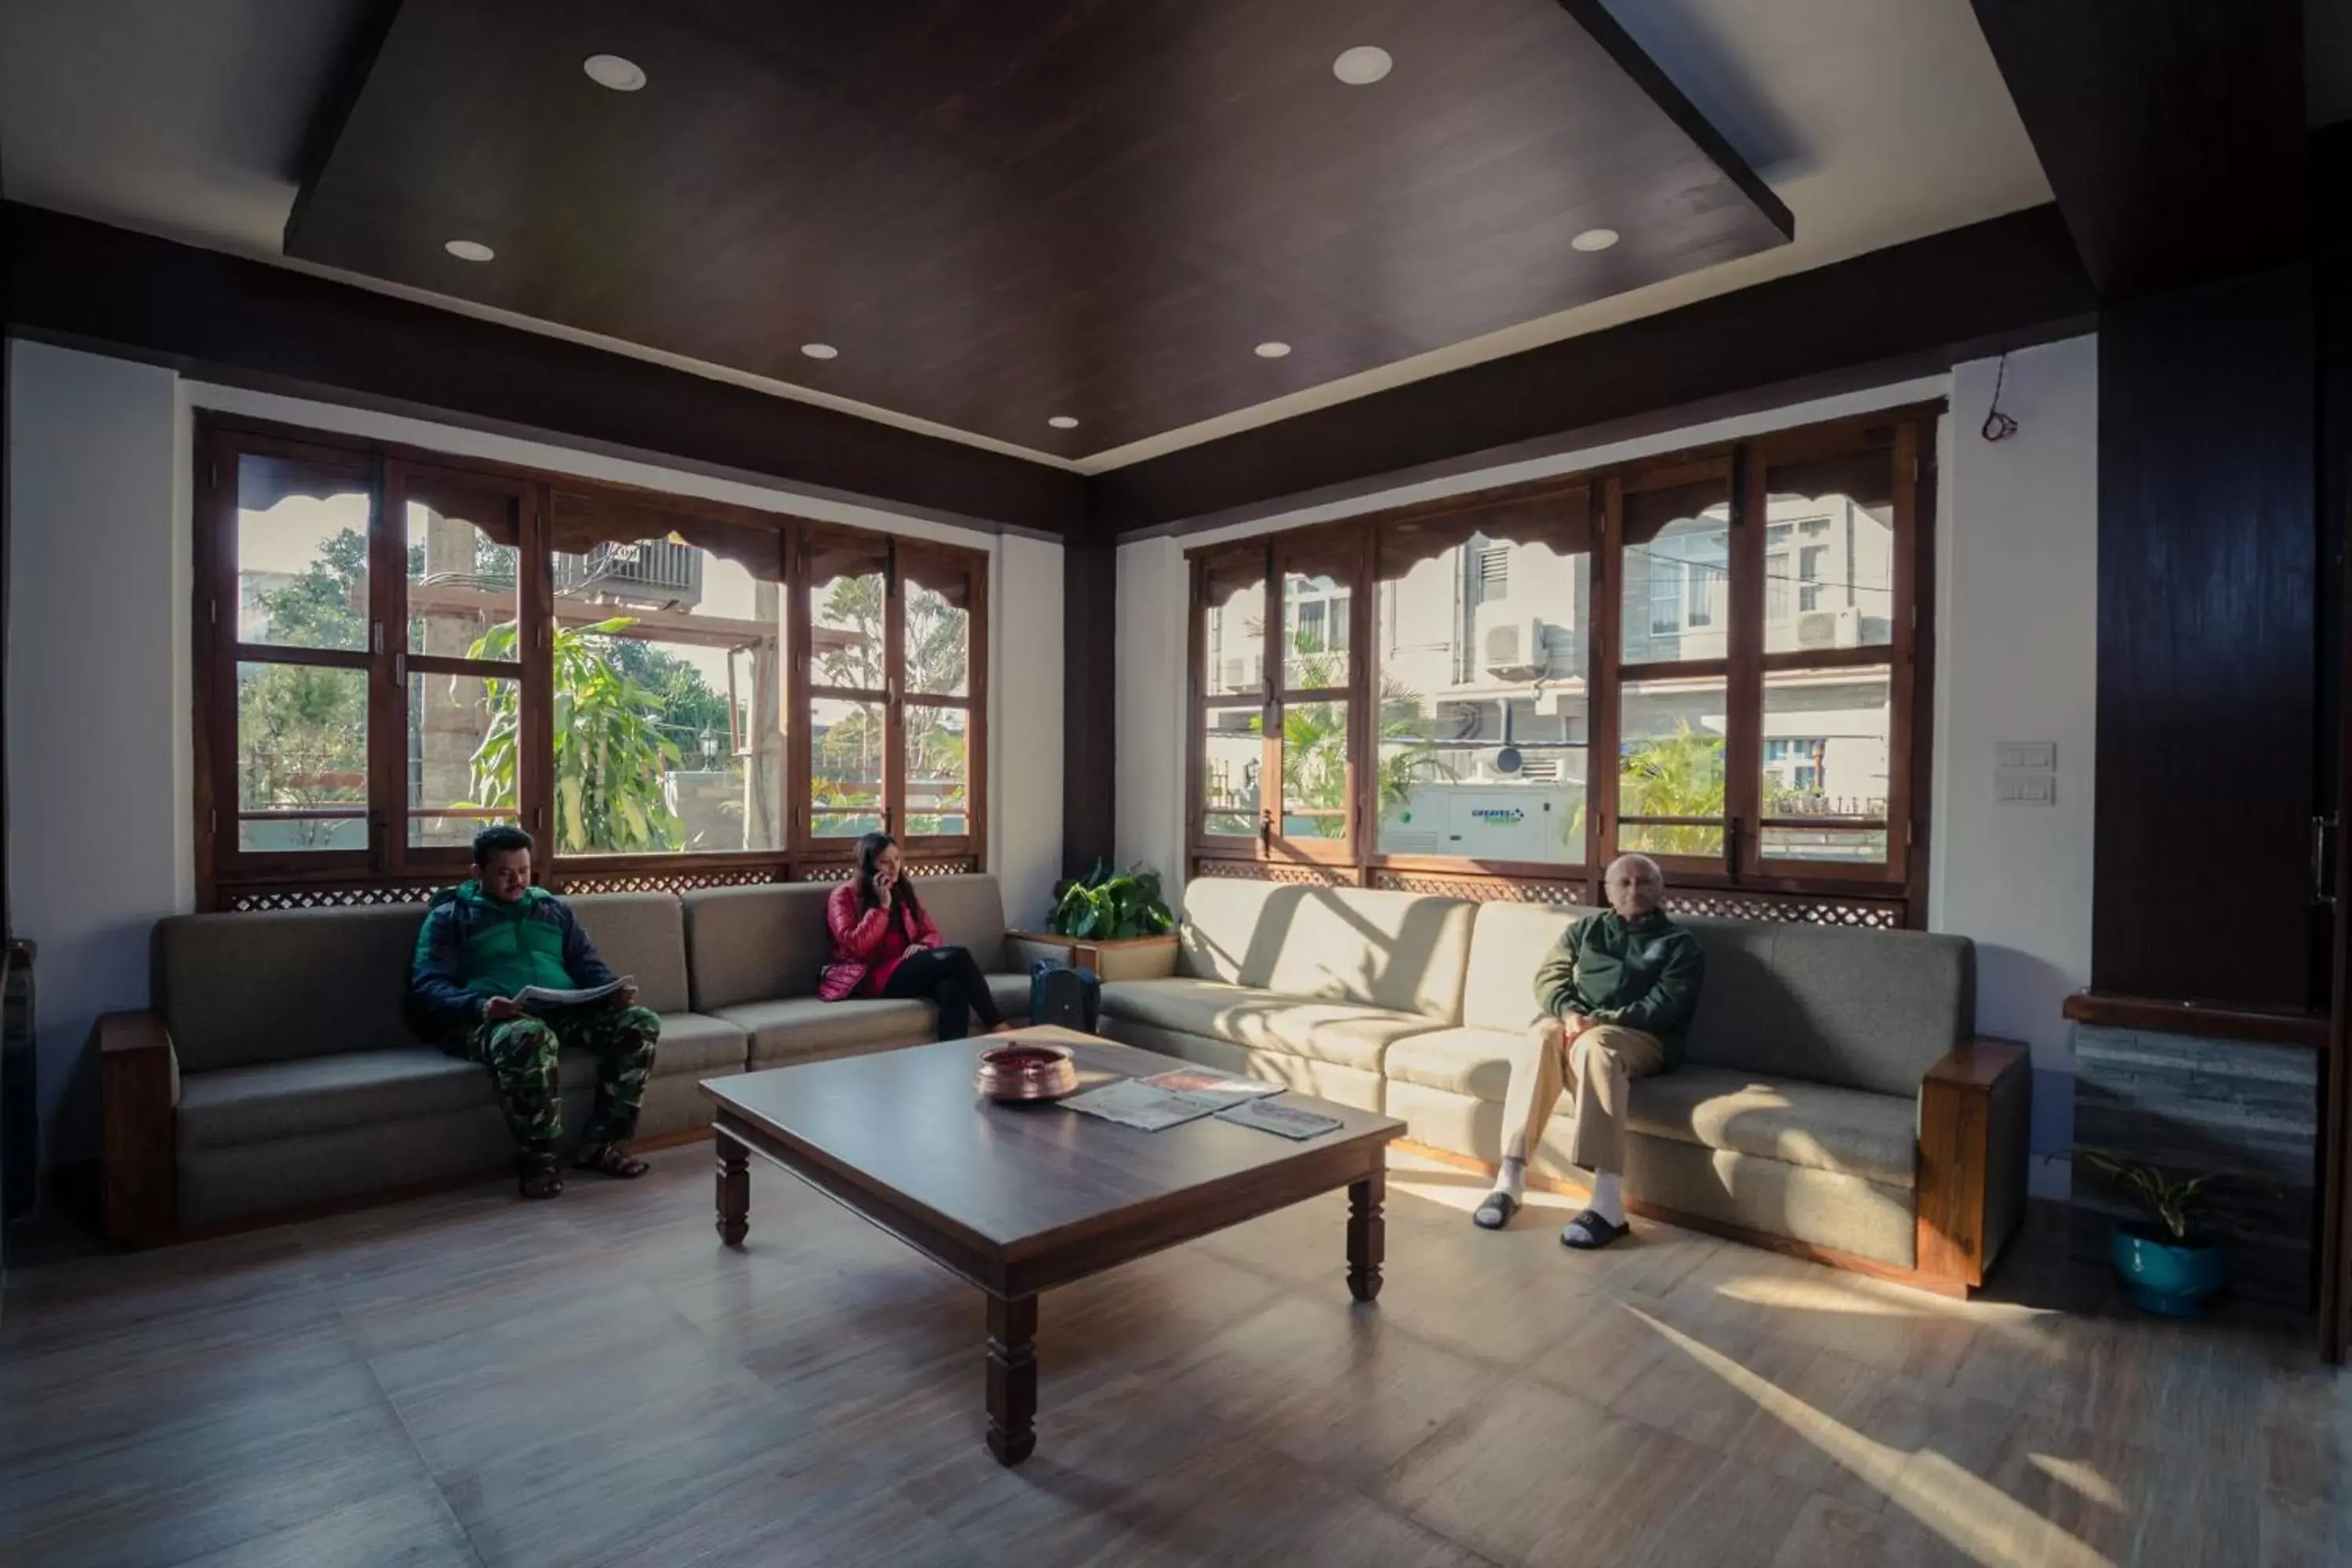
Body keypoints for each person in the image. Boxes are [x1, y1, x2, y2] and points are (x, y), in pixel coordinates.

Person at [408, 825, 662, 1200]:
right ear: (477, 872)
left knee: (641, 1023)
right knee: (528, 1036)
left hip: (563, 1010)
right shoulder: (450, 916)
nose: (518, 881)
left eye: (524, 871)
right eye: (505, 873)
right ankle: (539, 1161)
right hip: (492, 1019)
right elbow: (428, 985)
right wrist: (481, 1006)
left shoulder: (553, 909)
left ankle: (602, 1145)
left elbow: (587, 966)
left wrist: (612, 992)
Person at [1473, 852, 1704, 1249]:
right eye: (1624, 883)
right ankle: (1510, 1179)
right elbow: (1550, 977)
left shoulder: (1679, 944)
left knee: (1596, 1048)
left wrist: (1600, 1019)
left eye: (1645, 882)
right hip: (1579, 1024)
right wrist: (1569, 1012)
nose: (1634, 890)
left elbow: (1665, 1006)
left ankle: (1608, 1204)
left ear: (1661, 889)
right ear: (1609, 891)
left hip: (1644, 1037)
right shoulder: (1585, 930)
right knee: (1541, 1036)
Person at [820, 831, 1012, 1040]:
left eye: (897, 859)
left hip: (905, 966)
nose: (894, 868)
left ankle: (952, 1056)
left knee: (952, 988)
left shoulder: (903, 892)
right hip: (868, 975)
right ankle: (998, 1026)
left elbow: (931, 931)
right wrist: (881, 906)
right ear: (868, 866)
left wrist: (924, 946)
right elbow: (856, 946)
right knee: (957, 956)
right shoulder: (843, 896)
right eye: (885, 862)